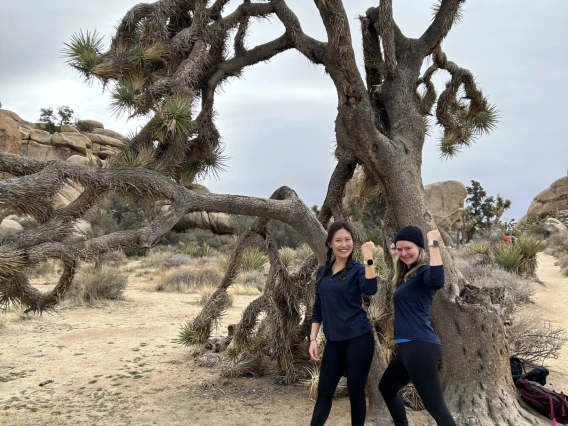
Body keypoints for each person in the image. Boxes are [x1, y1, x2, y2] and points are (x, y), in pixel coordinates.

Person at [379, 225, 456, 426]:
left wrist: (434, 244)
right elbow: (399, 262)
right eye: (400, 249)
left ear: (419, 247)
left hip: (420, 347)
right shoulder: (408, 277)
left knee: (435, 406)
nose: (404, 253)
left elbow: (438, 280)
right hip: (408, 348)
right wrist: (395, 254)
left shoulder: (424, 272)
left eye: (409, 248)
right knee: (386, 387)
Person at [309, 221, 378, 426]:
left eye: (347, 240)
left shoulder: (358, 270)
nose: (344, 244)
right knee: (323, 394)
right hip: (334, 342)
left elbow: (371, 289)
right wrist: (313, 338)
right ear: (330, 243)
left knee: (356, 394)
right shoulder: (322, 272)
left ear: (353, 243)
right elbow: (318, 307)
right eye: (338, 240)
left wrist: (369, 259)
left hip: (359, 339)